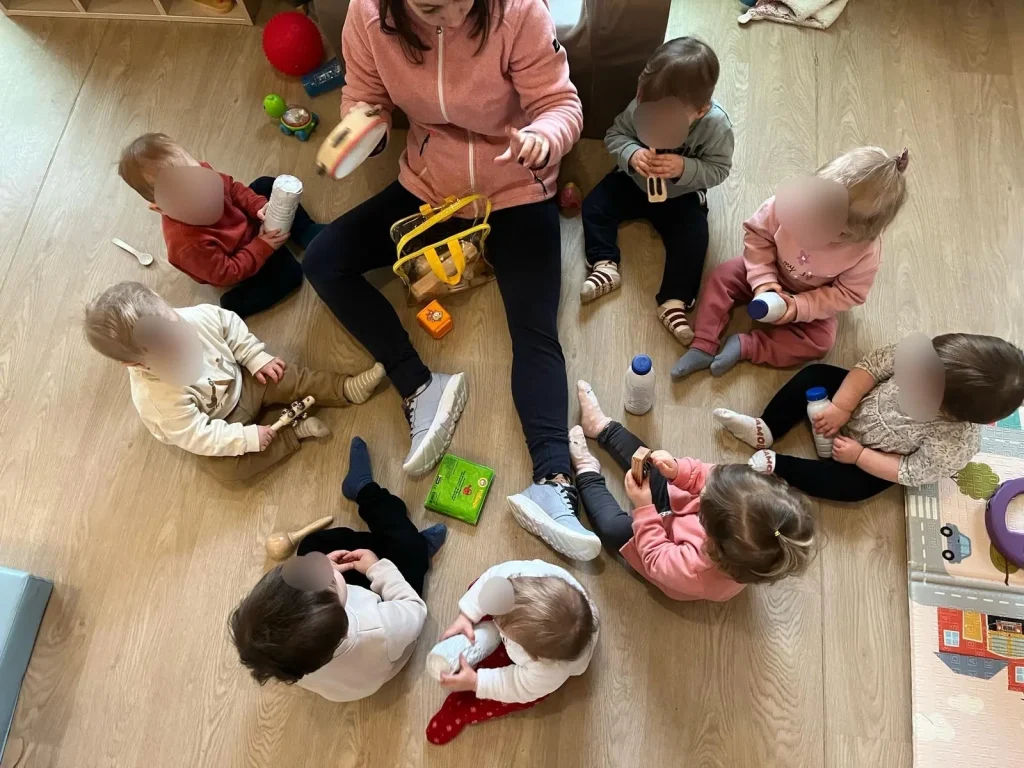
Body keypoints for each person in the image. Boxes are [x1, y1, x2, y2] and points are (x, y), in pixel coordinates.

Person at [301, 0, 600, 558]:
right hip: (429, 187)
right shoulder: (367, 15)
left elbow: (561, 103)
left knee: (535, 330)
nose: (442, 7)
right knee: (322, 259)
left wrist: (545, 137)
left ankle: (555, 484)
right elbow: (363, 97)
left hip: (514, 188)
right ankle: (419, 385)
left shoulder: (519, 13)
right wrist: (361, 128)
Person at [83, 282, 384, 481]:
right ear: (134, 364)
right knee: (228, 471)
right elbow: (198, 435)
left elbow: (229, 327)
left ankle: (345, 388)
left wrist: (254, 357)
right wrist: (245, 438)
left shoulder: (197, 316)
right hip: (217, 422)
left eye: (175, 329)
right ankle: (295, 434)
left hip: (245, 378)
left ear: (165, 304)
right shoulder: (156, 399)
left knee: (288, 374)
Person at [229, 437, 448, 702]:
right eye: (327, 580)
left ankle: (400, 546)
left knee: (312, 546)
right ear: (341, 624)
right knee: (408, 547)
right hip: (389, 636)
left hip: (344, 636)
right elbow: (414, 610)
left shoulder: (292, 658)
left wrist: (327, 571)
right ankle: (369, 495)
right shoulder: (377, 629)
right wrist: (377, 568)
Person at [673, 145, 910, 379]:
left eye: (841, 234)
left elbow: (848, 294)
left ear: (866, 233)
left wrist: (799, 306)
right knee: (723, 275)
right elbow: (757, 235)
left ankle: (748, 346)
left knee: (821, 342)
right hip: (769, 269)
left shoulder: (866, 252)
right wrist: (763, 280)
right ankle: (703, 343)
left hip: (812, 295)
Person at [566, 382, 815, 601]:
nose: (706, 485)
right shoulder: (742, 493)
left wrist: (644, 509)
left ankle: (587, 473)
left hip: (662, 549)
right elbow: (705, 473)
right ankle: (601, 427)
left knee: (612, 527)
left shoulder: (698, 570)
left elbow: (656, 558)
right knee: (652, 463)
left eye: (707, 494)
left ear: (712, 541)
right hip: (679, 513)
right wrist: (678, 471)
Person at [714, 333, 1024, 502]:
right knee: (816, 375)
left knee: (851, 489)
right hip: (855, 403)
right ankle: (766, 427)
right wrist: (842, 406)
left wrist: (861, 456)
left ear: (952, 413)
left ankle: (780, 465)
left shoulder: (954, 442)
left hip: (873, 455)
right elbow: (872, 367)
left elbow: (909, 471)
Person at [580, 36, 735, 346]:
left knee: (694, 238)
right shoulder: (638, 106)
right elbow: (616, 135)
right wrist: (632, 154)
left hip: (681, 197)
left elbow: (719, 169)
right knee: (595, 205)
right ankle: (605, 264)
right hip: (632, 181)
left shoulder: (716, 127)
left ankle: (675, 301)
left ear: (701, 111)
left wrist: (683, 168)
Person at [118, 133, 324, 318]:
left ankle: (306, 232)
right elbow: (227, 272)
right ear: (159, 208)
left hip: (247, 223)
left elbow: (233, 189)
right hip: (237, 257)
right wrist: (261, 247)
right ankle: (235, 305)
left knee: (266, 185)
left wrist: (258, 207)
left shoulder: (203, 175)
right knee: (289, 273)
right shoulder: (188, 245)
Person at [426, 559, 598, 744]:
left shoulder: (549, 670)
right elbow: (491, 578)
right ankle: (492, 615)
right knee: (482, 589)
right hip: (538, 599)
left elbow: (515, 685)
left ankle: (460, 709)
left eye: (502, 626)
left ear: (532, 655)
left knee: (512, 696)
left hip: (538, 668)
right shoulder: (523, 575)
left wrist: (477, 682)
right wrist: (466, 615)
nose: (496, 620)